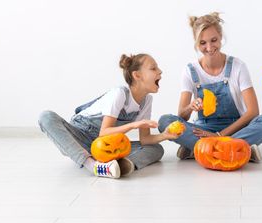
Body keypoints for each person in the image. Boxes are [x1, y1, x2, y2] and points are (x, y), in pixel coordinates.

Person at [158, 12, 262, 162]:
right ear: (196, 43)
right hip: (203, 129)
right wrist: (190, 106)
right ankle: (239, 148)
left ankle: (204, 149)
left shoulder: (238, 66)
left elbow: (253, 112)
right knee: (165, 121)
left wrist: (219, 136)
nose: (209, 47)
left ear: (221, 37)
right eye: (202, 43)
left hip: (237, 126)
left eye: (213, 40)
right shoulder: (190, 70)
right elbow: (182, 116)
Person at [38, 54, 178, 179]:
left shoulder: (146, 100)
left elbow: (145, 139)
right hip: (79, 137)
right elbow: (104, 132)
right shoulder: (120, 94)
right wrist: (134, 124)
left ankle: (121, 166)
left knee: (156, 149)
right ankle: (92, 165)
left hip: (104, 147)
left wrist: (165, 135)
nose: (160, 71)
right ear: (137, 75)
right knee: (46, 116)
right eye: (153, 68)